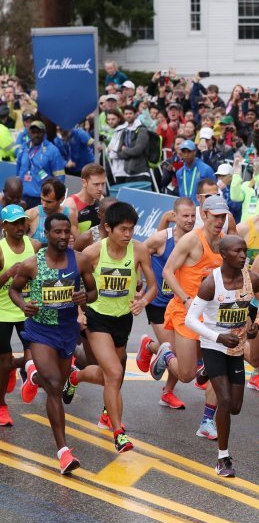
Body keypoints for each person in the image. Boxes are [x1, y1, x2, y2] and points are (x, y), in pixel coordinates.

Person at [65, 202, 156, 453]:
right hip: (98, 319)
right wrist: (80, 312)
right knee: (115, 373)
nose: (128, 234)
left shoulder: (138, 250)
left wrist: (142, 301)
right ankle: (118, 432)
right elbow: (73, 282)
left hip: (123, 320)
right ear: (108, 228)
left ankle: (76, 375)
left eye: (132, 229)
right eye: (123, 229)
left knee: (110, 376)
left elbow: (153, 286)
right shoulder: (94, 252)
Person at [9, 212, 97, 474]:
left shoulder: (79, 260)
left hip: (67, 330)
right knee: (56, 386)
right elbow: (14, 289)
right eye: (56, 232)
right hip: (40, 331)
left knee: (54, 380)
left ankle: (32, 375)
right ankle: (64, 452)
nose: (62, 236)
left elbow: (92, 292)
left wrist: (85, 298)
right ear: (46, 235)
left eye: (66, 231)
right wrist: (24, 304)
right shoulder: (32, 264)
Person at [186, 236, 259, 476]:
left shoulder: (250, 279)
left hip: (236, 349)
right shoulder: (210, 284)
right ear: (223, 254)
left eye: (245, 250)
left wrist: (257, 324)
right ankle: (223, 458)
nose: (244, 255)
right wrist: (217, 337)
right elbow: (190, 320)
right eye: (237, 251)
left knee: (235, 407)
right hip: (213, 346)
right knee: (223, 400)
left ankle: (205, 373)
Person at [149, 195, 230, 440]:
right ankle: (163, 352)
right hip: (186, 312)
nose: (219, 221)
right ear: (204, 215)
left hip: (213, 316)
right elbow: (167, 272)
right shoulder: (191, 241)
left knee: (218, 369)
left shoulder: (225, 242)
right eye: (215, 216)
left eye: (223, 216)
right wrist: (186, 299)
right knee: (186, 374)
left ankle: (207, 421)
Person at [136, 197, 196, 410]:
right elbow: (138, 254)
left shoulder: (197, 240)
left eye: (192, 216)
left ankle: (166, 388)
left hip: (184, 306)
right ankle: (151, 347)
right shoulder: (162, 239)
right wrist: (140, 281)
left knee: (185, 355)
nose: (189, 220)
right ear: (175, 216)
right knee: (176, 353)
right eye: (185, 216)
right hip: (160, 304)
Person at [0, 204, 41, 425]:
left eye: (22, 221)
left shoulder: (33, 246)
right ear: (4, 226)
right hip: (2, 312)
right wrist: (8, 273)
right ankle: (1, 406)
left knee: (32, 356)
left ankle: (17, 374)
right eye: (15, 223)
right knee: (3, 361)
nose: (20, 226)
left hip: (26, 309)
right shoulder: (0, 249)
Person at [15, 121, 66, 210]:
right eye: (33, 132)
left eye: (39, 132)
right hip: (23, 197)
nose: (36, 135)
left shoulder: (52, 150)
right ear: (29, 133)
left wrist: (54, 198)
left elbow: (60, 177)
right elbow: (18, 171)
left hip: (42, 199)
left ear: (44, 133)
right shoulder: (24, 148)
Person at [25, 178, 76, 245]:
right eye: (42, 199)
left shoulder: (69, 215)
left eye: (49, 202)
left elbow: (78, 242)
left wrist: (72, 242)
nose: (44, 205)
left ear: (61, 199)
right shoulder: (31, 214)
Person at [63, 163, 106, 234]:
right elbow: (77, 241)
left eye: (103, 184)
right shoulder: (71, 206)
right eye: (96, 184)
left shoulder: (101, 199)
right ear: (84, 183)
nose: (100, 189)